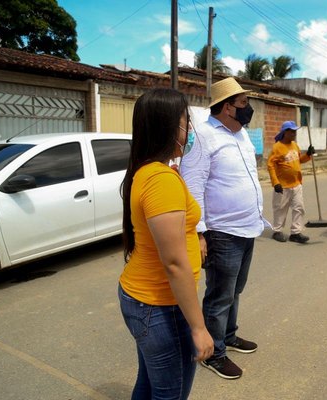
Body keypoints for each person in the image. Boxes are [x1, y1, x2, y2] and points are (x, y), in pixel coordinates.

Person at [118, 88, 214, 399]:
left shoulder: (152, 171)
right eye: (187, 122)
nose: (190, 131)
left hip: (147, 301)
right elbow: (173, 264)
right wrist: (199, 328)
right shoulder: (160, 180)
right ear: (168, 126)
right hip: (159, 306)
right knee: (169, 394)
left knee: (148, 386)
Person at [180, 77, 268, 380]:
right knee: (219, 295)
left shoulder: (241, 135)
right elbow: (193, 187)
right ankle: (213, 353)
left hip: (246, 229)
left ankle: (228, 335)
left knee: (235, 290)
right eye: (243, 103)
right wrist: (199, 233)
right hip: (221, 232)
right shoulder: (203, 137)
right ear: (228, 107)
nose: (248, 108)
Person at [267, 121, 314, 243]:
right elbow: (270, 165)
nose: (294, 133)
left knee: (299, 207)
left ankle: (296, 233)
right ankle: (277, 231)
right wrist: (275, 183)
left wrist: (308, 154)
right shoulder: (277, 147)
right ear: (285, 132)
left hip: (296, 183)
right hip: (282, 186)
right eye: (292, 131)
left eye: (295, 131)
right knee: (280, 209)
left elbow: (300, 160)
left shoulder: (295, 145)